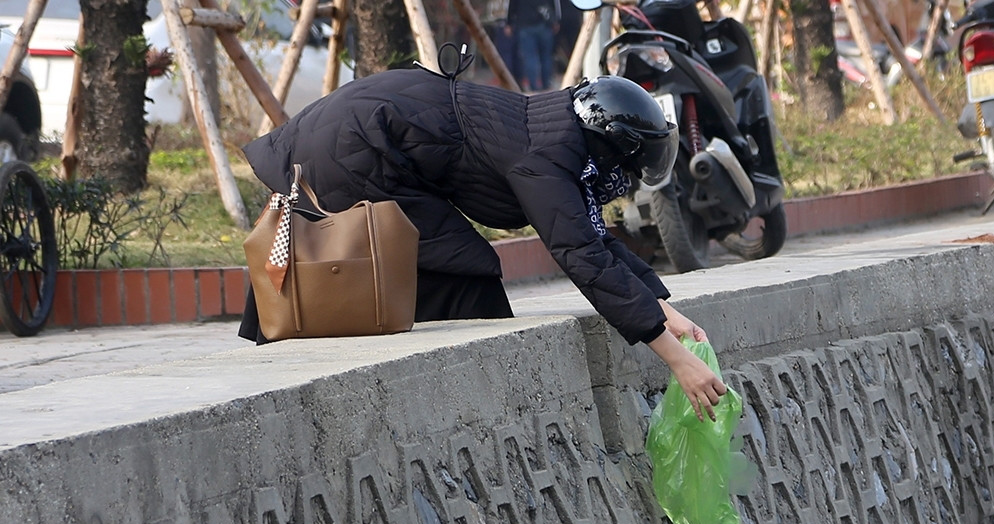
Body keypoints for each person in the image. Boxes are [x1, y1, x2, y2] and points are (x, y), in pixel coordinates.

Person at [239, 69, 728, 421]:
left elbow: (592, 236)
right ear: (610, 143)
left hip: (365, 126)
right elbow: (583, 256)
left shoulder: (560, 127)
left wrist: (664, 309)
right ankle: (468, 412)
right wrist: (675, 358)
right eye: (628, 166)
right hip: (360, 144)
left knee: (448, 262)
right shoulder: (545, 160)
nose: (624, 181)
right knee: (463, 272)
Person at [506, 0, 559, 91]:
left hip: (525, 24)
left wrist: (509, 23)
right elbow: (554, 3)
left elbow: (512, 4)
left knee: (529, 57)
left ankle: (533, 86)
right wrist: (555, 20)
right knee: (546, 57)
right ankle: (546, 84)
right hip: (544, 22)